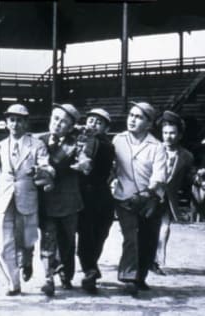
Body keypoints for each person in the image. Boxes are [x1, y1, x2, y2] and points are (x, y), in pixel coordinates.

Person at [0, 104, 51, 296]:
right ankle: (14, 283)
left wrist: (39, 170)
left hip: (27, 198)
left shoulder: (37, 145)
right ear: (6, 123)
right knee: (3, 245)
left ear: (26, 122)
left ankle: (26, 261)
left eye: (19, 120)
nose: (15, 124)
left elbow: (46, 166)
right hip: (4, 200)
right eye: (12, 120)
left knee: (26, 241)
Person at [112, 101, 167, 296]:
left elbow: (159, 175)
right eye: (131, 115)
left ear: (149, 124)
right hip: (125, 197)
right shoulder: (118, 140)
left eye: (139, 117)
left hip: (151, 199)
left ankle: (140, 277)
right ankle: (128, 277)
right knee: (131, 236)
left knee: (148, 239)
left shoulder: (157, 147)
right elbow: (110, 166)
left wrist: (148, 193)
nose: (132, 119)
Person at [37, 103, 86, 297]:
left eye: (63, 121)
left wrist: (84, 163)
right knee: (48, 238)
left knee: (67, 240)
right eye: (55, 118)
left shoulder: (76, 144)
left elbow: (84, 159)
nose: (57, 124)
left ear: (71, 126)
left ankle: (66, 274)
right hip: (46, 201)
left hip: (69, 202)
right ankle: (48, 277)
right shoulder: (37, 140)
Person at [76, 108, 115, 294]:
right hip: (83, 193)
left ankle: (91, 265)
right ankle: (89, 270)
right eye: (90, 120)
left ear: (106, 128)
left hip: (102, 192)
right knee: (87, 233)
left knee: (102, 232)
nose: (93, 124)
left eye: (99, 122)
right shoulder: (79, 139)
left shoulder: (107, 144)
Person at [152, 111, 194, 275]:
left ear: (180, 135)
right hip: (151, 195)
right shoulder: (153, 149)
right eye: (165, 133)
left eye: (172, 133)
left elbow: (188, 177)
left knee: (164, 229)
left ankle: (159, 261)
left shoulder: (186, 156)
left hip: (169, 199)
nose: (168, 137)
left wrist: (196, 176)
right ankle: (146, 259)